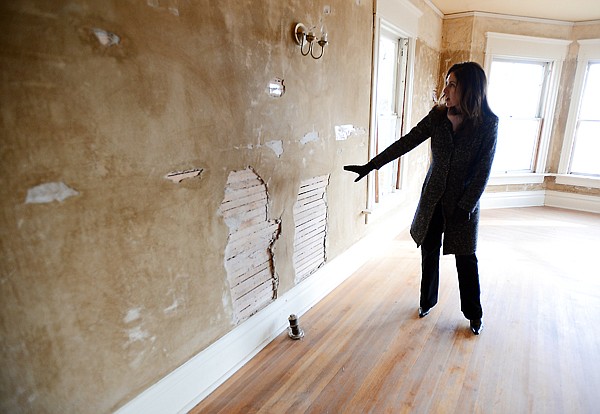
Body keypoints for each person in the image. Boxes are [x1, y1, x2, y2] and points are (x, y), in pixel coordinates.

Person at [344, 62, 498, 335]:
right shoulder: (438, 117)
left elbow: (483, 171)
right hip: (433, 198)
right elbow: (407, 141)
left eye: (452, 85)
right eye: (446, 83)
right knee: (429, 250)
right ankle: (427, 301)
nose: (445, 90)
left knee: (466, 259)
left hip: (464, 203)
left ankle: (474, 314)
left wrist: (466, 205)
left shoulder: (487, 124)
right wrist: (372, 165)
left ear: (469, 89)